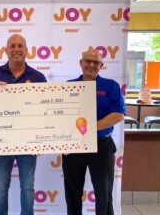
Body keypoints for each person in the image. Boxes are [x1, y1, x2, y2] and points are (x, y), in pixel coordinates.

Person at [0, 34, 47, 215]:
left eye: (20, 46)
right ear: (6, 50)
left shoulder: (38, 77)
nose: (16, 49)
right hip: (1, 141)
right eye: (12, 46)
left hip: (29, 142)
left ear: (27, 50)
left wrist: (41, 140)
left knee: (28, 188)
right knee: (1, 188)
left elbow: (45, 111)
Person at [62, 49, 125, 215]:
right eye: (87, 61)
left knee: (104, 194)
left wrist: (90, 127)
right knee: (72, 193)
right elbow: (59, 117)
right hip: (74, 146)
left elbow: (118, 114)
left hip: (102, 145)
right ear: (80, 63)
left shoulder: (111, 86)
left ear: (101, 66)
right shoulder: (68, 86)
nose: (91, 65)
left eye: (96, 62)